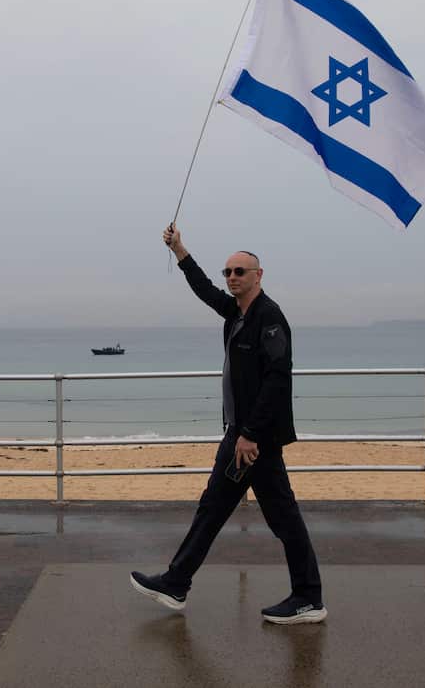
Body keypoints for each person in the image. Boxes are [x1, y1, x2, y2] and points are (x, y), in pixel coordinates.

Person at [130, 223, 326, 625]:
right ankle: (177, 582)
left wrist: (250, 434)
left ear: (259, 276)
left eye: (241, 271)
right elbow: (205, 290)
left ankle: (308, 597)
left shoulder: (268, 317)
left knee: (279, 517)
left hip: (256, 441)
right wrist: (180, 251)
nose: (233, 277)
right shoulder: (236, 312)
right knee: (214, 509)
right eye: (229, 272)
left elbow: (278, 377)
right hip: (240, 436)